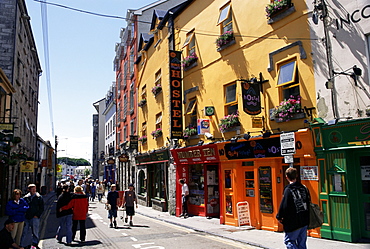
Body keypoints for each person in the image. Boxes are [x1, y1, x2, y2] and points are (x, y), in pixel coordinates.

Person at [276, 167, 310, 249]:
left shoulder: (288, 189)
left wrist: (279, 217)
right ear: (297, 175)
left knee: (290, 241)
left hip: (293, 221)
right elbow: (308, 201)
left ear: (286, 177)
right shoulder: (303, 187)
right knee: (302, 243)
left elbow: (285, 205)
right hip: (304, 219)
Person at [20, 184, 44, 249]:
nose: (34, 190)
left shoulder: (39, 197)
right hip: (27, 217)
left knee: (35, 232)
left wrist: (37, 215)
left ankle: (35, 244)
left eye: (35, 189)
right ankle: (22, 244)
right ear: (29, 190)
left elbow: (42, 208)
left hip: (35, 217)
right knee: (25, 231)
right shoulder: (25, 198)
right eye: (32, 189)